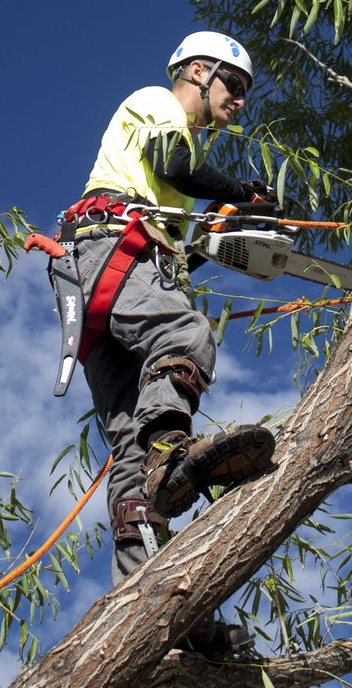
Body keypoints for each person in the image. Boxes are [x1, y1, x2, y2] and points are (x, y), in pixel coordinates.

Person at [69, 32, 275, 653]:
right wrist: (244, 192)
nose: (239, 101)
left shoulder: (170, 188)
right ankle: (172, 453)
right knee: (184, 331)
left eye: (244, 93)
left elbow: (176, 260)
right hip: (110, 245)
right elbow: (175, 167)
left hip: (105, 279)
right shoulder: (158, 103)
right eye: (233, 86)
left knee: (129, 451)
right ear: (197, 71)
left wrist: (226, 231)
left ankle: (150, 615)